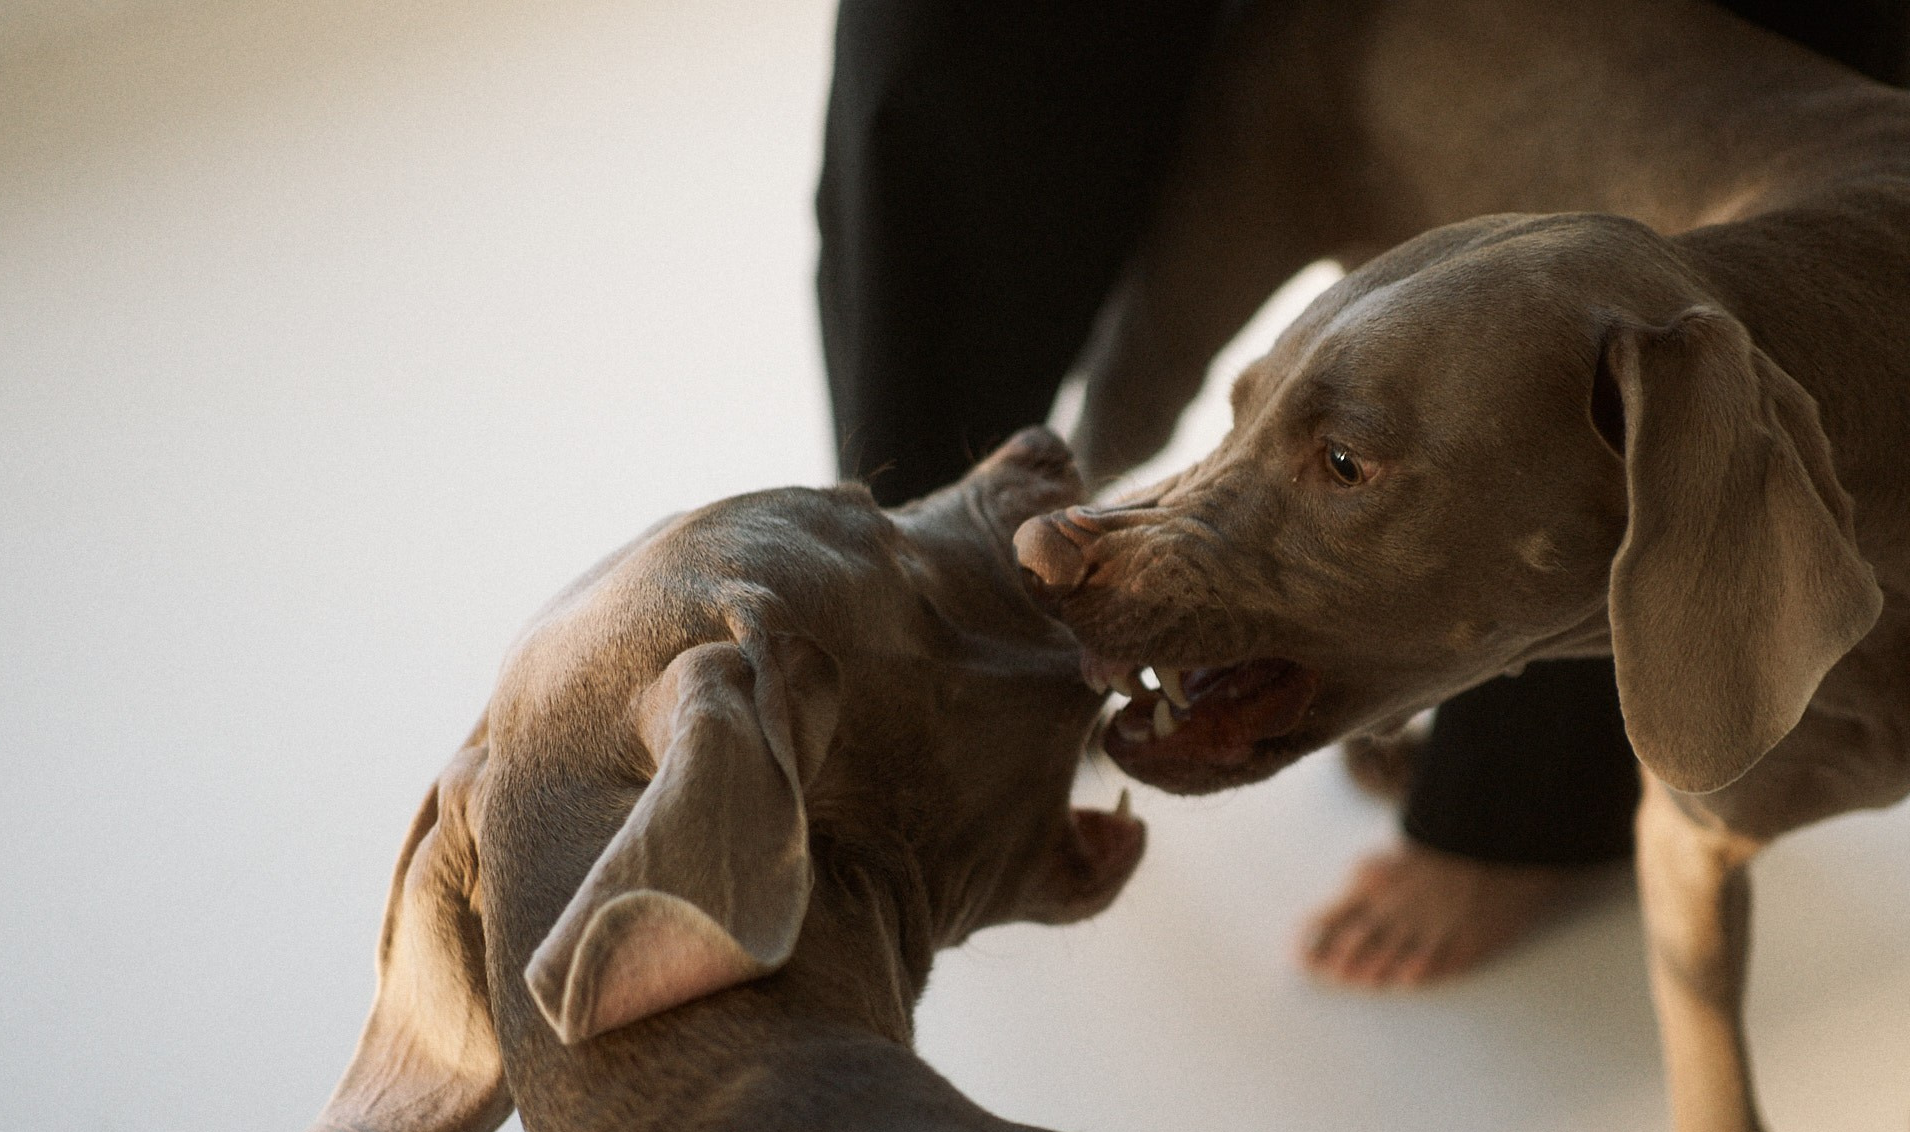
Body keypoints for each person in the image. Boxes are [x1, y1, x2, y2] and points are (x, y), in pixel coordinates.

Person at [815, 0, 1910, 986]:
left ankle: (1509, 810)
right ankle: (918, 635)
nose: (1057, 541)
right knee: (1112, 375)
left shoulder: (1695, 426)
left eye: (1339, 465)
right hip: (1335, 70)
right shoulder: (1326, 67)